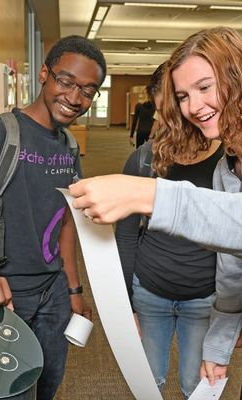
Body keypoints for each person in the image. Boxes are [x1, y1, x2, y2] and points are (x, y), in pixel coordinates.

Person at [69, 27, 242, 386]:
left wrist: (147, 195)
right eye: (183, 96)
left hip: (199, 297)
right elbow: (232, 266)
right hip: (155, 291)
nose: (194, 107)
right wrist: (221, 339)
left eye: (205, 87)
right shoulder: (229, 164)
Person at [0, 35, 106, 400]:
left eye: (88, 92)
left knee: (47, 386)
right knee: (0, 391)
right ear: (44, 74)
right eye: (66, 81)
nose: (75, 99)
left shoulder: (69, 146)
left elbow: (65, 223)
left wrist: (74, 290)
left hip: (52, 295)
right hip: (1, 297)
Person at [116, 62, 223, 398]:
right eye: (169, 105)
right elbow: (126, 234)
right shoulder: (143, 159)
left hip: (206, 297)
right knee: (148, 383)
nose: (177, 114)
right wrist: (126, 303)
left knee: (197, 385)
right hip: (150, 292)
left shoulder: (230, 162)